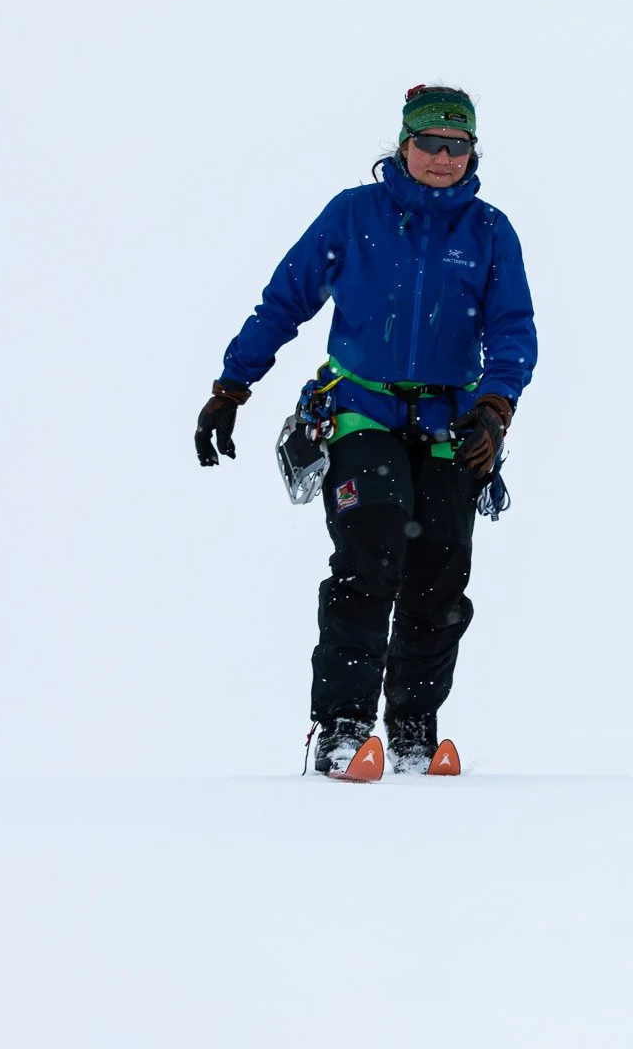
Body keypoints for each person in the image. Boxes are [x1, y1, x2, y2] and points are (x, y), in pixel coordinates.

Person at [194, 85, 536, 774]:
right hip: (359, 410)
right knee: (372, 550)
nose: (442, 158)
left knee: (439, 571)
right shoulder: (354, 217)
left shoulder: (490, 231)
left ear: (473, 152)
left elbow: (512, 330)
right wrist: (233, 386)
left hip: (453, 421)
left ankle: (412, 731)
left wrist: (496, 408)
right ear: (403, 145)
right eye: (429, 144)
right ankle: (343, 730)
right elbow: (285, 299)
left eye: (456, 146)